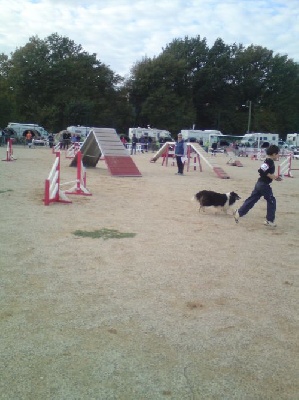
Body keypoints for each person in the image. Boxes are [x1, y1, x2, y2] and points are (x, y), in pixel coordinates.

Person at [234, 145, 281, 227]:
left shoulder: (267, 161)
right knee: (271, 201)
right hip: (264, 185)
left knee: (252, 199)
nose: (278, 156)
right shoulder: (269, 161)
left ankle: (239, 213)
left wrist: (273, 177)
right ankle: (269, 220)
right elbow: (261, 171)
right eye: (277, 154)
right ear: (274, 154)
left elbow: (262, 171)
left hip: (259, 184)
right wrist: (273, 176)